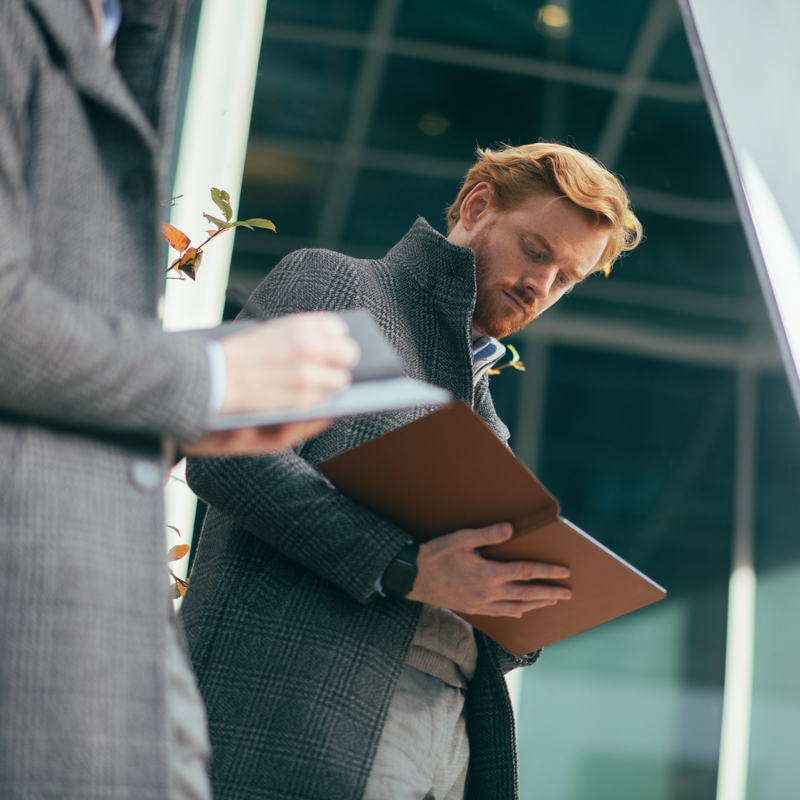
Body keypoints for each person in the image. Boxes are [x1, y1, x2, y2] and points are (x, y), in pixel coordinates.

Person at [180, 142, 644, 800]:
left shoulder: (488, 424)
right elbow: (223, 450)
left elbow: (474, 608)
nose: (541, 285)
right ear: (478, 206)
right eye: (536, 250)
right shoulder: (339, 289)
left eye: (565, 278)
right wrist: (406, 565)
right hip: (297, 731)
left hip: (443, 752)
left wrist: (521, 603)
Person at [0, 2, 359, 800]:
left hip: (108, 631)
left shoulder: (134, 33)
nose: (545, 286)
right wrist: (212, 382)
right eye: (541, 253)